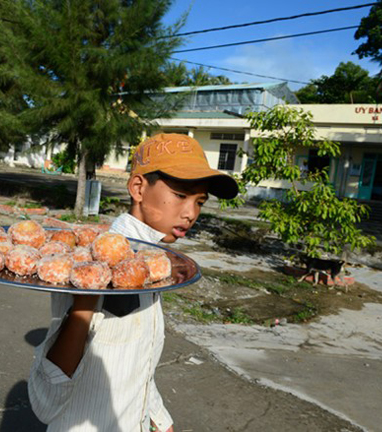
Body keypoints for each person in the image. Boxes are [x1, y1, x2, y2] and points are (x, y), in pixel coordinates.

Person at [28, 133, 239, 432]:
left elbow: (137, 364)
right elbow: (45, 403)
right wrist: (86, 303)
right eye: (181, 195)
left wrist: (160, 419)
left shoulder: (152, 265)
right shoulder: (94, 265)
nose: (191, 213)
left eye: (200, 202)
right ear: (138, 188)